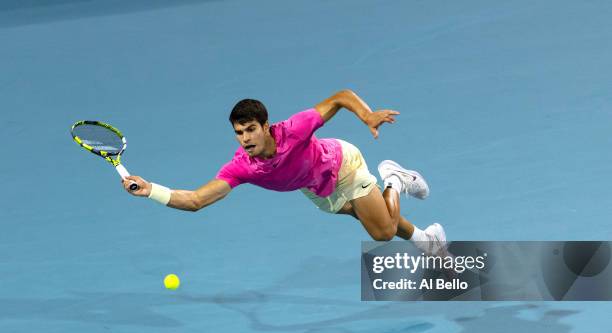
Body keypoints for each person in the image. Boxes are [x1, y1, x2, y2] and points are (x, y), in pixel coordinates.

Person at [122, 89, 446, 254]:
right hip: (316, 188)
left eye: (250, 129)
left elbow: (341, 98)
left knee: (382, 232)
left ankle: (394, 178)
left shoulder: (295, 128)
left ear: (265, 126)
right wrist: (151, 189)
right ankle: (426, 239)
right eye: (238, 132)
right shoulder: (242, 166)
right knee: (370, 214)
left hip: (343, 165)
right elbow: (195, 200)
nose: (245, 138)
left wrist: (366, 115)